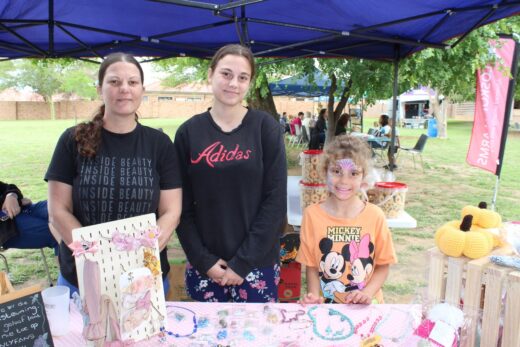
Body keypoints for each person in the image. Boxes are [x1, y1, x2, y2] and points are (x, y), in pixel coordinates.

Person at [45, 52, 182, 296]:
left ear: (142, 89)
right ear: (100, 89)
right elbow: (58, 211)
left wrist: (141, 253)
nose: (124, 89)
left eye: (132, 82)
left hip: (143, 280)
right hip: (83, 279)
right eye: (114, 82)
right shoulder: (72, 140)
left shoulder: (160, 144)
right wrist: (94, 257)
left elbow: (171, 212)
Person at [174, 44, 287, 303]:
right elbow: (180, 205)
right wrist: (204, 260)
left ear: (250, 82)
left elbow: (276, 200)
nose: (233, 83)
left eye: (242, 77)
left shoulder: (264, 128)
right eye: (226, 74)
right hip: (207, 267)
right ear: (210, 74)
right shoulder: (188, 133)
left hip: (258, 263)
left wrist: (243, 261)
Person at [296, 135, 397, 304]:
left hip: (367, 307)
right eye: (336, 171)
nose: (344, 181)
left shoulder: (375, 216)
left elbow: (383, 265)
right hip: (327, 308)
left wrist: (367, 293)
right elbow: (312, 265)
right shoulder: (311, 215)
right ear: (324, 172)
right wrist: (313, 296)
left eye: (354, 173)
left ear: (363, 177)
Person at [0, 181, 58, 253]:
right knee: (59, 231)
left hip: (24, 209)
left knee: (62, 208)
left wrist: (11, 195)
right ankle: (68, 263)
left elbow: (8, 188)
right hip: (7, 228)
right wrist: (19, 202)